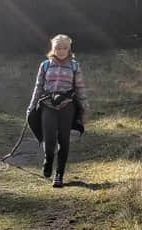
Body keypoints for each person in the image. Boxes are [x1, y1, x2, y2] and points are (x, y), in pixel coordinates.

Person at [27, 34, 89, 187]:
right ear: (53, 49)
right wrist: (31, 106)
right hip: (47, 105)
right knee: (49, 141)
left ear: (69, 49)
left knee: (64, 140)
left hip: (67, 106)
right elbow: (38, 87)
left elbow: (80, 87)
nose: (61, 51)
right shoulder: (45, 65)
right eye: (58, 48)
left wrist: (85, 108)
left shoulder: (74, 66)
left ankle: (59, 175)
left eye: (64, 48)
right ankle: (48, 159)